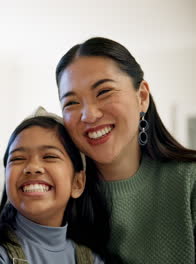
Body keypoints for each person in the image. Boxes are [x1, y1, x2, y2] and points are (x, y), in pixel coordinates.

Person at [55, 37, 196, 263]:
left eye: (103, 92)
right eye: (71, 103)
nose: (88, 115)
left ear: (141, 97)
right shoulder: (58, 194)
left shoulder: (189, 182)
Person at [0, 107, 118, 263]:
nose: (32, 167)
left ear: (77, 183)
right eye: (18, 158)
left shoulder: (91, 260)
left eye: (49, 156)